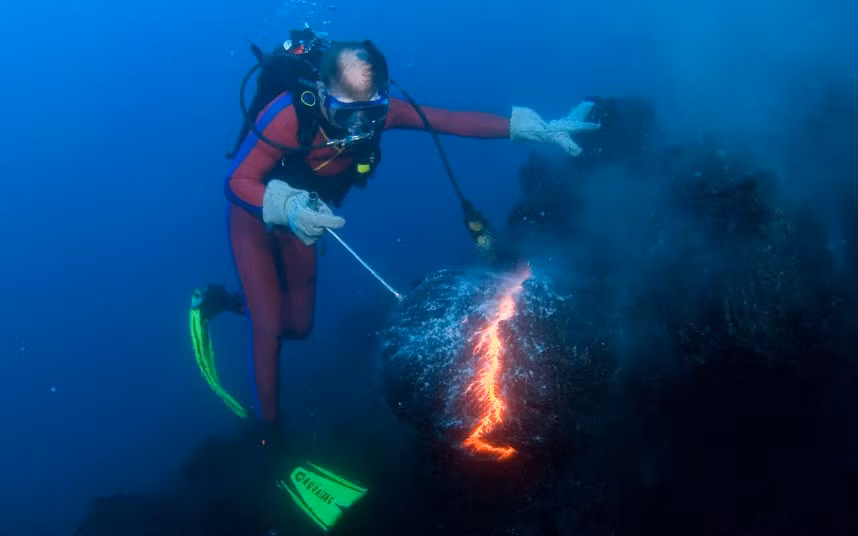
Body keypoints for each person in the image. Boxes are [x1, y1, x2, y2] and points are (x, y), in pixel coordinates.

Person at [194, 35, 599, 441]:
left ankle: (227, 302)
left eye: (370, 113)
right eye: (346, 114)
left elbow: (451, 121)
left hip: (307, 218)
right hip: (257, 212)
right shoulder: (286, 116)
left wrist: (530, 128)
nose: (359, 129)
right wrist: (286, 205)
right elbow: (237, 182)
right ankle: (270, 434)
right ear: (321, 93)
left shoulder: (383, 114)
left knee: (298, 327)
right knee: (269, 326)